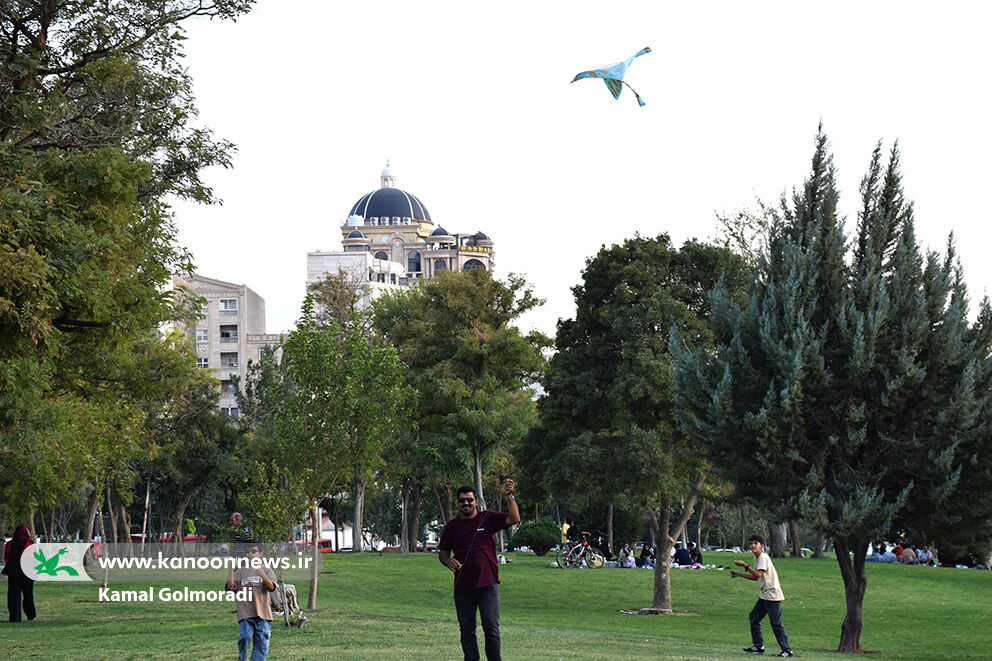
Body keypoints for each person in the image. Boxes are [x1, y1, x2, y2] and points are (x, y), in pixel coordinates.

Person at [439, 480, 520, 661]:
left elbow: (514, 519)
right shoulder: (452, 527)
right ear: (458, 503)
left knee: (491, 625)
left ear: (476, 501)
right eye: (462, 501)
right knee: (467, 628)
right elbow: (443, 552)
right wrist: (448, 562)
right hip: (463, 587)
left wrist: (509, 496)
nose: (466, 503)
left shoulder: (488, 518)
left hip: (488, 584)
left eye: (469, 500)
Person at [729, 534, 793, 657]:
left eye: (756, 543)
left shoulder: (763, 557)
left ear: (762, 546)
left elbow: (758, 575)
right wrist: (739, 574)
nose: (753, 545)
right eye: (751, 543)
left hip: (772, 594)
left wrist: (744, 566)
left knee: (776, 623)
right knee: (754, 617)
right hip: (765, 594)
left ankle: (787, 650)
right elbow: (755, 577)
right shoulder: (757, 558)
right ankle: (758, 646)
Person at [225, 541, 277, 661]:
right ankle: (242, 658)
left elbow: (271, 588)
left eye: (253, 551)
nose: (250, 554)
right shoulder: (240, 572)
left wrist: (261, 573)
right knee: (245, 636)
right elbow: (230, 587)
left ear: (261, 553)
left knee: (261, 643)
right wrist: (231, 570)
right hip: (245, 612)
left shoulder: (267, 570)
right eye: (247, 552)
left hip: (263, 613)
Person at [3, 525, 36, 622]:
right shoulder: (29, 543)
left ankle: (15, 617)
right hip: (27, 570)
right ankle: (31, 615)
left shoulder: (9, 544)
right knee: (28, 594)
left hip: (13, 571)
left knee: (13, 594)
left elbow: (7, 558)